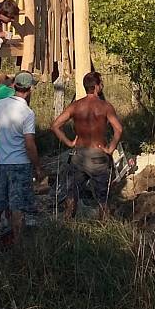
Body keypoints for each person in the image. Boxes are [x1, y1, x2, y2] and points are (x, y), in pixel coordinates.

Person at [0, 71, 45, 255]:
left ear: (14, 85)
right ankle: (18, 249)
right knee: (18, 208)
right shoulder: (27, 113)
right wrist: (38, 167)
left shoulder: (0, 105)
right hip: (20, 165)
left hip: (2, 163)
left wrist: (6, 134)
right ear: (29, 89)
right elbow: (29, 144)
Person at [51, 72, 123, 219]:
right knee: (103, 200)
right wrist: (110, 148)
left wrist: (69, 143)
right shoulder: (105, 107)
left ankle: (67, 226)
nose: (102, 85)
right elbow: (119, 129)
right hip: (98, 155)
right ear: (96, 87)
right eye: (101, 83)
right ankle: (105, 229)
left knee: (72, 196)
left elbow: (55, 125)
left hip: (79, 155)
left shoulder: (76, 106)